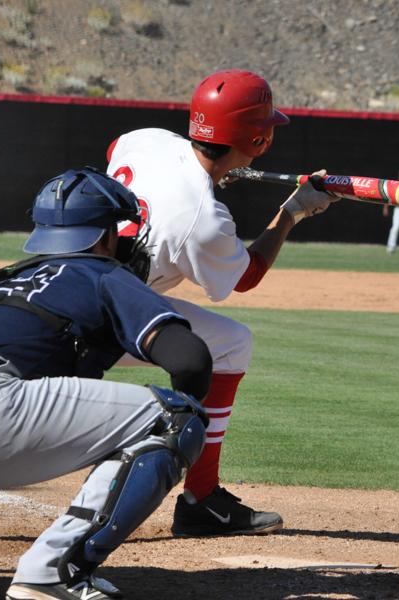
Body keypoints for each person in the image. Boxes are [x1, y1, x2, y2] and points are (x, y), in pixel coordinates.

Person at [106, 69, 338, 537]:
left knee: (229, 340)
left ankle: (203, 498)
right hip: (107, 316)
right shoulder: (203, 218)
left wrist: (207, 176)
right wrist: (291, 213)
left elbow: (115, 150)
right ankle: (200, 500)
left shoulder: (148, 139)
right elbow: (246, 276)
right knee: (231, 345)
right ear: (260, 140)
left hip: (71, 281)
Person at [0, 167, 213, 600]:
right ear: (103, 236)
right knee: (175, 418)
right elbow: (191, 360)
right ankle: (51, 574)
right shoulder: (100, 273)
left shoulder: (1, 281)